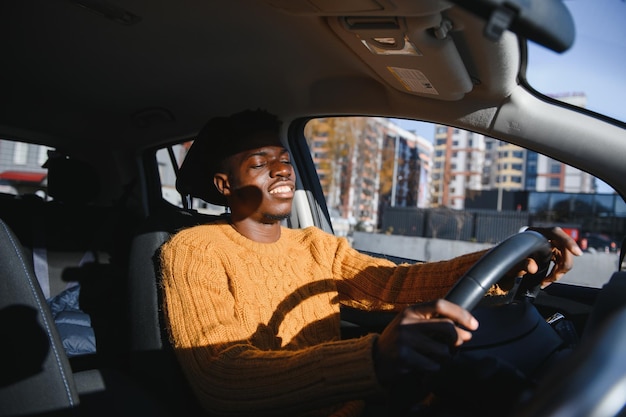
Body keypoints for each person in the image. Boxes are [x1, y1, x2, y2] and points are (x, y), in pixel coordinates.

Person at [160, 109, 581, 417]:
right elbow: (220, 377)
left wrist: (503, 263)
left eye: (284, 159)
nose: (282, 171)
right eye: (259, 164)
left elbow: (392, 285)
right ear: (224, 184)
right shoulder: (194, 249)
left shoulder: (315, 245)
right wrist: (373, 359)